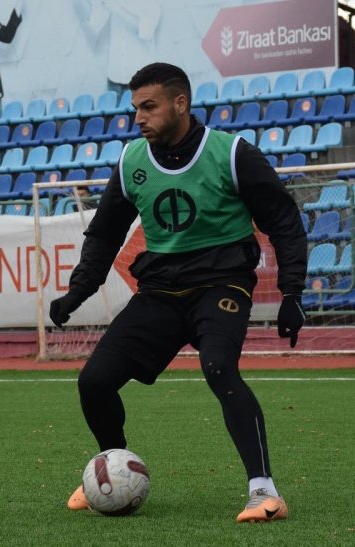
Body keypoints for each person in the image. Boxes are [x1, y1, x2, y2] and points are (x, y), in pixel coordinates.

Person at [49, 62, 305, 522]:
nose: (139, 118)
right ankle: (114, 470)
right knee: (94, 381)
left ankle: (265, 492)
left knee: (218, 368)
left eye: (149, 107)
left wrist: (292, 293)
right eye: (135, 108)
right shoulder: (132, 162)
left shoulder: (231, 153)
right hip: (161, 292)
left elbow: (284, 221)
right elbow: (105, 235)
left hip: (221, 284)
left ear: (180, 103)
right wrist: (77, 292)